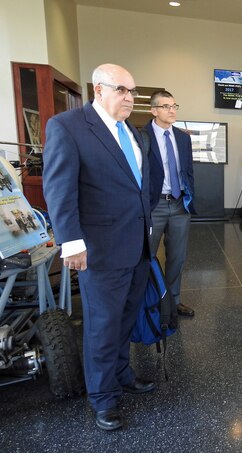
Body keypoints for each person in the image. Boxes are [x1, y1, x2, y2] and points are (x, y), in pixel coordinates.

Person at [43, 64, 155, 431]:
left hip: (137, 246)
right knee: (102, 326)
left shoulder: (132, 132)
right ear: (98, 89)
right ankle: (103, 399)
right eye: (122, 90)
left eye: (133, 92)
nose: (130, 98)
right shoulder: (68, 127)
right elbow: (60, 190)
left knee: (125, 317)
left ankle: (121, 373)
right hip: (99, 249)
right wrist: (71, 243)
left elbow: (139, 186)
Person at [143, 91, 196, 317]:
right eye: (165, 106)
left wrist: (189, 198)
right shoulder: (141, 136)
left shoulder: (183, 138)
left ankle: (173, 301)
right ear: (154, 110)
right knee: (146, 256)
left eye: (174, 106)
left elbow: (188, 171)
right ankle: (147, 302)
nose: (172, 110)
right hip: (154, 206)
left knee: (177, 257)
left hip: (178, 205)